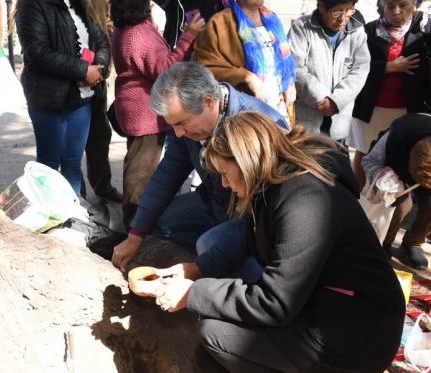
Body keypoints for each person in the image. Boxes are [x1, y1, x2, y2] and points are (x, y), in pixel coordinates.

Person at [155, 111, 405, 373]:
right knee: (209, 355)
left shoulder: (306, 201)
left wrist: (194, 293)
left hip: (360, 332)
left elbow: (276, 302)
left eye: (226, 173)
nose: (224, 184)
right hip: (322, 304)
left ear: (247, 162)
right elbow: (245, 233)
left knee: (215, 333)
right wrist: (195, 269)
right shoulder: (274, 181)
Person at [111, 62, 288, 277]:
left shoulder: (260, 125)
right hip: (214, 203)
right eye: (172, 125)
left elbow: (272, 211)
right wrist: (135, 235)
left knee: (210, 244)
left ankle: (247, 285)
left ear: (208, 101)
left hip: (255, 220)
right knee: (157, 220)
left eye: (182, 123)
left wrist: (200, 267)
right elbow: (167, 176)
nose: (177, 133)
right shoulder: (188, 130)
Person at [111, 0, 205, 228]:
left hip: (138, 108)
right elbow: (164, 70)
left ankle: (137, 223)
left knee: (141, 167)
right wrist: (189, 36)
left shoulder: (133, 27)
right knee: (140, 173)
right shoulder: (136, 34)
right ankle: (133, 227)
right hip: (143, 113)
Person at [16, 0, 110, 196]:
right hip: (49, 98)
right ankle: (47, 218)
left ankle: (72, 216)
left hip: (82, 98)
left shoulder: (80, 3)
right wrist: (83, 71)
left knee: (72, 163)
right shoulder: (31, 4)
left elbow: (101, 41)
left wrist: (98, 69)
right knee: (49, 164)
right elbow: (38, 52)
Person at [349, 0, 431, 188]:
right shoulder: (368, 32)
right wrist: (389, 67)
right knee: (364, 152)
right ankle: (359, 198)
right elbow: (354, 67)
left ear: (415, 5)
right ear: (382, 6)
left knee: (400, 155)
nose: (396, 12)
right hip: (371, 108)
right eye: (390, 6)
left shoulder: (423, 33)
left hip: (407, 111)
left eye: (403, 5)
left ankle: (394, 204)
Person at [194, 0, 296, 120]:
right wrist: (246, 76)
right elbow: (205, 67)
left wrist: (290, 82)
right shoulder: (220, 22)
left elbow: (284, 58)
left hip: (279, 107)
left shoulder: (271, 18)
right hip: (246, 113)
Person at [288, 0, 370, 141]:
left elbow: (360, 69)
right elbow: (295, 67)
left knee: (337, 159)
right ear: (321, 7)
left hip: (340, 119)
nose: (343, 19)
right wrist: (321, 98)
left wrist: (336, 101)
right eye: (336, 12)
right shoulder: (302, 27)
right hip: (308, 117)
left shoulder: (357, 31)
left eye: (349, 10)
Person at [363, 113, 431, 270]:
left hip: (420, 170)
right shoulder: (395, 137)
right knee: (401, 205)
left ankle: (413, 242)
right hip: (395, 169)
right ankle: (383, 243)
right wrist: (378, 172)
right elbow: (368, 161)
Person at [81, 0, 123, 202]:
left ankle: (103, 187)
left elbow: (105, 30)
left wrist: (99, 67)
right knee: (68, 147)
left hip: (96, 78)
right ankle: (76, 195)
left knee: (99, 135)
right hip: (63, 83)